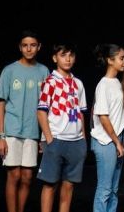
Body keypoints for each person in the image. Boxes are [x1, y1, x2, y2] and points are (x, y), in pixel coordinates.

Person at [0, 31, 50, 212]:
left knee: (27, 176)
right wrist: (0, 136)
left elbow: (46, 107)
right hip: (11, 130)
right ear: (20, 47)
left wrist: (44, 135)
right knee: (14, 175)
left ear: (39, 47)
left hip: (33, 131)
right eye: (25, 45)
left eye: (33, 45)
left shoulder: (44, 71)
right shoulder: (9, 70)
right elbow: (1, 104)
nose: (29, 48)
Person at [37, 42, 87, 212]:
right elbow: (41, 112)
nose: (68, 59)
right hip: (57, 139)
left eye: (71, 55)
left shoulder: (78, 83)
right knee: (50, 185)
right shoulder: (50, 82)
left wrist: (83, 140)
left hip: (76, 141)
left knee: (69, 186)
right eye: (63, 55)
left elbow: (80, 113)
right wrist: (49, 140)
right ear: (54, 58)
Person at [90, 43, 124, 212]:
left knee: (114, 189)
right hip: (105, 141)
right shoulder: (103, 85)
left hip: (115, 139)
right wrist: (117, 142)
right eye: (121, 58)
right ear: (110, 60)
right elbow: (102, 117)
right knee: (105, 189)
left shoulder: (116, 83)